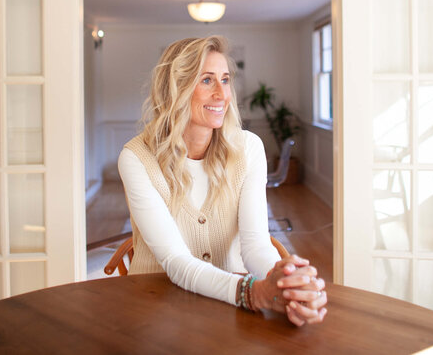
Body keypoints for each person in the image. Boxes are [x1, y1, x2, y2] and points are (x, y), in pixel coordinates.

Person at [118, 35, 327, 326]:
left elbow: (254, 244)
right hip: (156, 308)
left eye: (225, 80)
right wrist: (252, 294)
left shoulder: (248, 149)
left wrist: (286, 286)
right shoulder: (137, 158)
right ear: (176, 89)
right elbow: (175, 262)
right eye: (206, 80)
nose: (222, 94)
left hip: (228, 308)